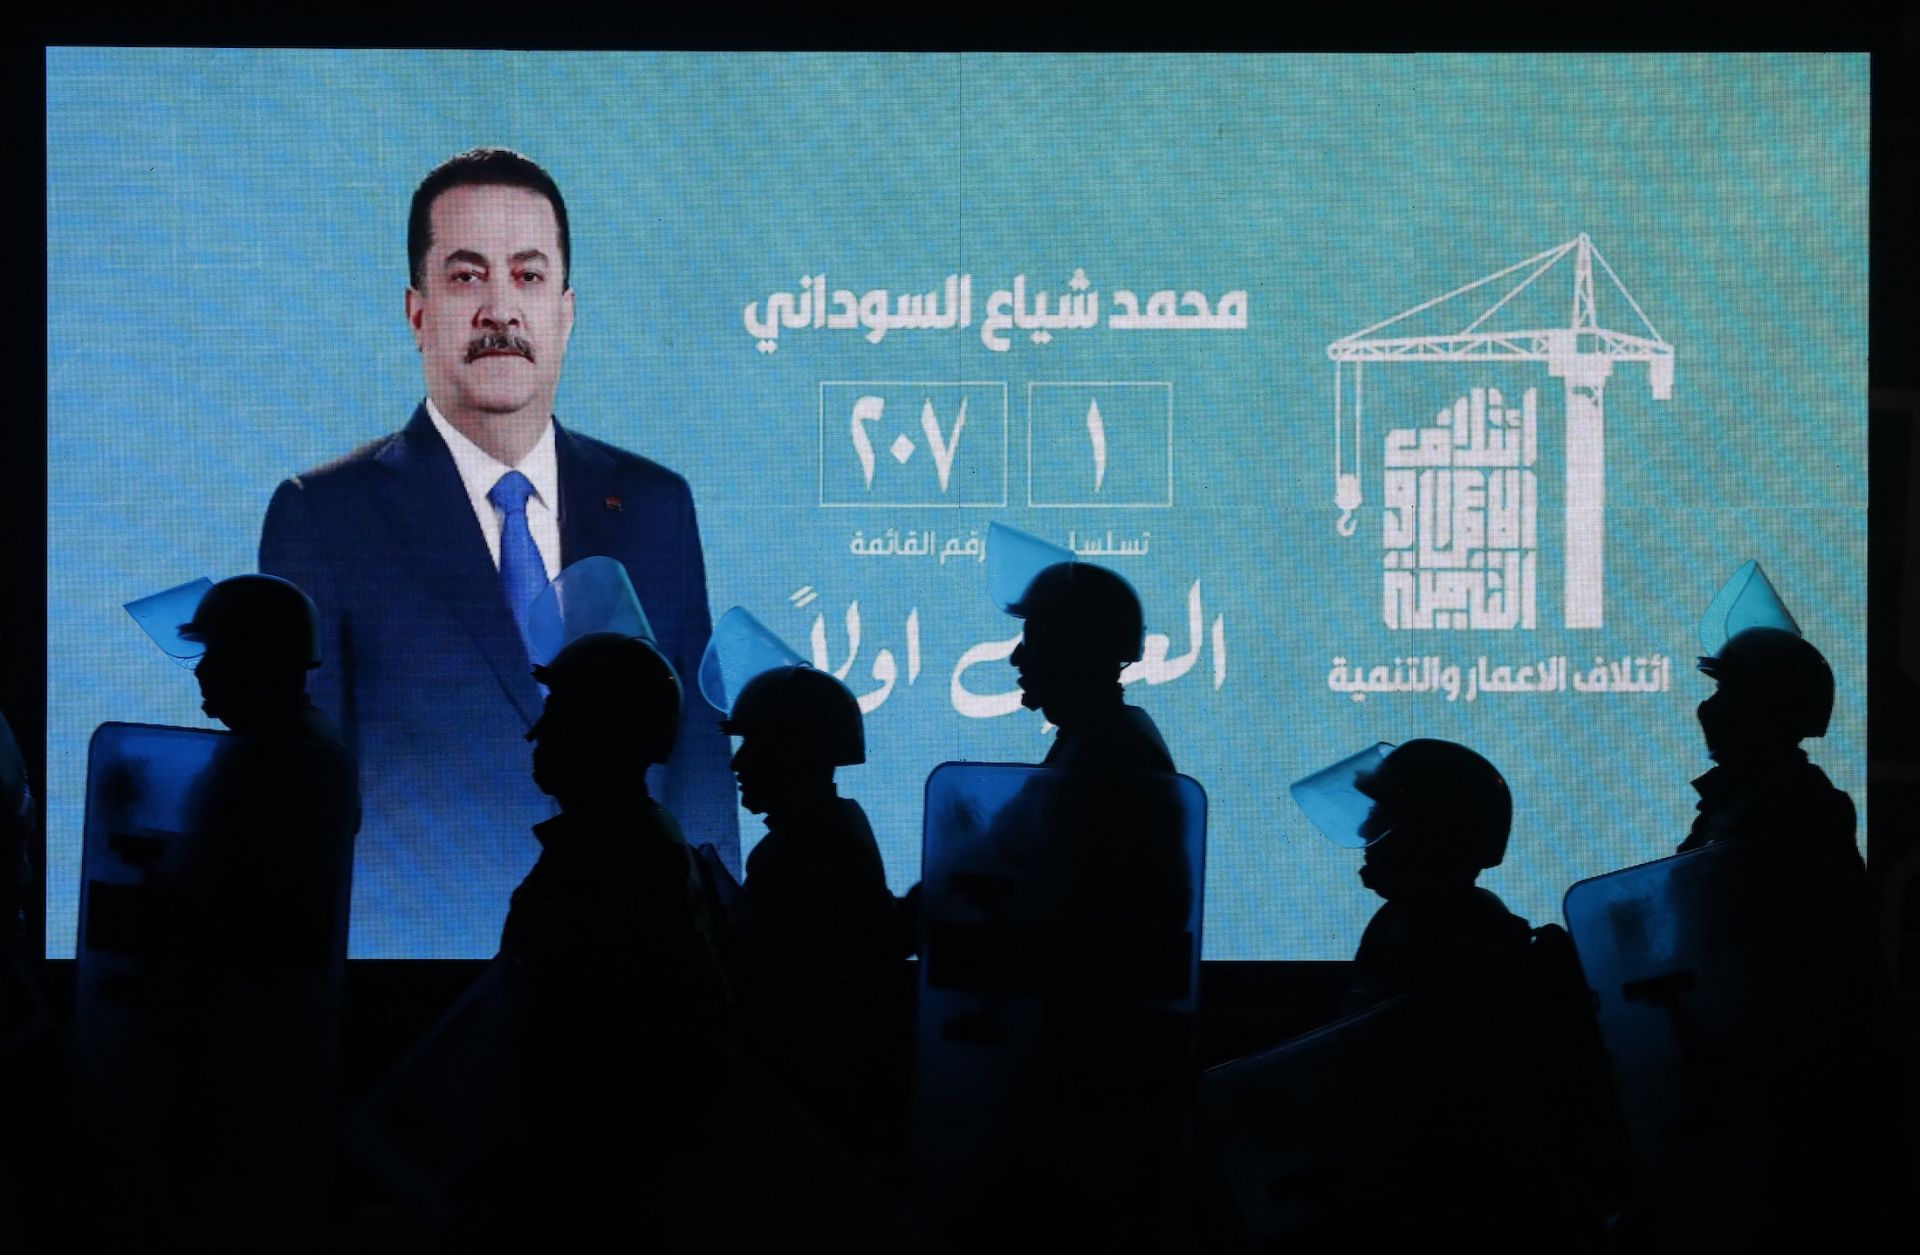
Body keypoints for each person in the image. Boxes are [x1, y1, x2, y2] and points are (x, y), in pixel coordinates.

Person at [259, 147, 734, 957]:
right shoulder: (325, 518)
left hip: (638, 986)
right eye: (467, 276)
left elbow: (699, 778)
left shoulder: (656, 504)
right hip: (412, 990)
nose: (499, 311)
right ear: (417, 311)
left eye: (528, 275)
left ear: (567, 310)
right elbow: (298, 802)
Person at [486, 630, 731, 1247]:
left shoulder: (620, 861)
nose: (536, 734)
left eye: (561, 714)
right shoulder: (623, 844)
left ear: (607, 730)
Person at [726, 664, 895, 992]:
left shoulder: (795, 851)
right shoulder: (838, 823)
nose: (739, 762)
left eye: (756, 744)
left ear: (793, 751)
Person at [1335, 739, 1531, 1016]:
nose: (1365, 831)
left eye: (1382, 816)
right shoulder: (1421, 916)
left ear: (1430, 833)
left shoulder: (1448, 934)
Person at [1681, 625, 1856, 864]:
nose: (1707, 707)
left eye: (1725, 692)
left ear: (1764, 709)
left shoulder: (1808, 811)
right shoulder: (1734, 798)